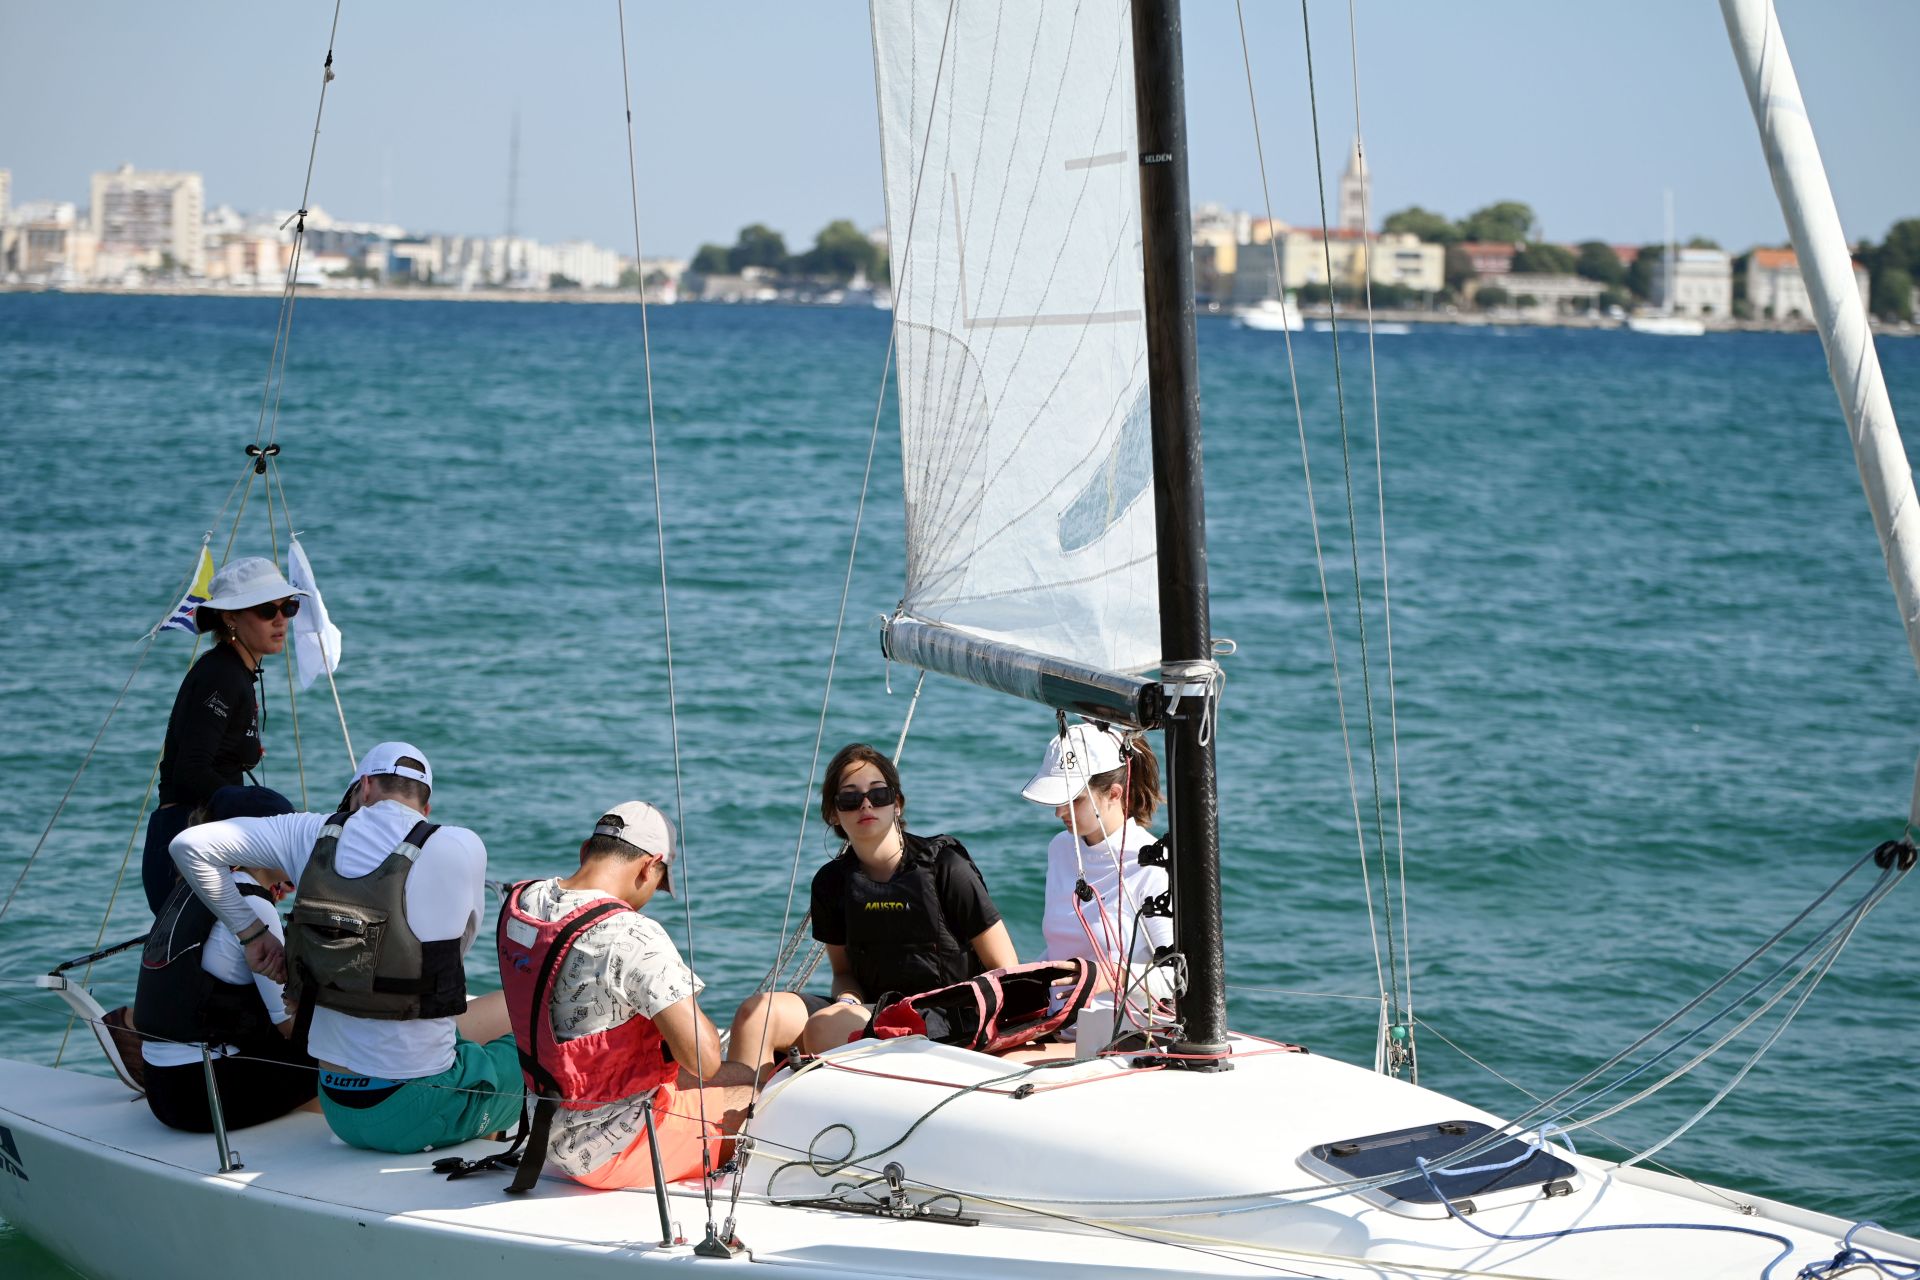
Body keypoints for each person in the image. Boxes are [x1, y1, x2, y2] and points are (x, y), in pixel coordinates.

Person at [169, 741, 520, 1154]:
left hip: (337, 1103)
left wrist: (251, 935)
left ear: (365, 788)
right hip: (414, 1111)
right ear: (425, 809)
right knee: (532, 1042)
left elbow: (188, 847)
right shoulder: (460, 845)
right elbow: (455, 949)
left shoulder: (308, 831)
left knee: (456, 1046)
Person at [498, 801, 754, 1189]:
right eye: (657, 882)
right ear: (649, 866)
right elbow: (704, 1061)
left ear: (587, 850)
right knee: (756, 1095)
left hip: (543, 1122)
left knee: (743, 1073)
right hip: (608, 1149)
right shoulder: (633, 934)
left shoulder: (524, 901)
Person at [726, 742, 1016, 1072]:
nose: (866, 805)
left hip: (946, 1017)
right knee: (757, 1015)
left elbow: (1004, 966)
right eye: (850, 798)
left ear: (897, 804)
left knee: (825, 1029)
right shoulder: (831, 883)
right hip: (869, 1011)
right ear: (833, 813)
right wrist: (847, 1000)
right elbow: (844, 973)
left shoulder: (945, 867)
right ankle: (743, 1118)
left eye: (878, 794)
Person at [142, 556, 306, 915]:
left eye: (288, 607)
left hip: (199, 840)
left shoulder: (235, 672)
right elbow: (190, 772)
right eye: (267, 610)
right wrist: (268, 821)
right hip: (184, 845)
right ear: (231, 617)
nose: (281, 620)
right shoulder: (222, 676)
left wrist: (258, 859)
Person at [133, 865, 318, 1132]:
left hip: (159, 1086)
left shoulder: (193, 884)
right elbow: (290, 1027)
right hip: (205, 1099)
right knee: (333, 1049)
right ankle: (320, 1145)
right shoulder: (252, 904)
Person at [1019, 722, 1173, 1000]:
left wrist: (1109, 976)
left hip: (1122, 1033)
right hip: (1059, 1021)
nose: (1059, 813)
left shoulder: (1154, 865)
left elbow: (1177, 979)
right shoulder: (1061, 848)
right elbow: (1061, 952)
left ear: (1114, 793)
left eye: (1074, 800)